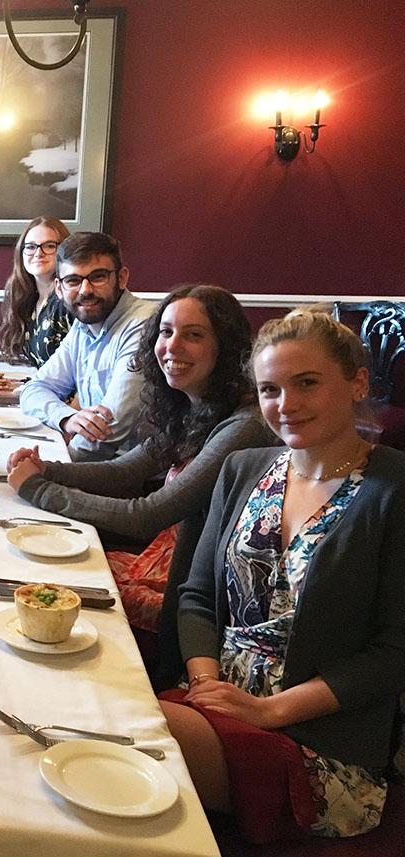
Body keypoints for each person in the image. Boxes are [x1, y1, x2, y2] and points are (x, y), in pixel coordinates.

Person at [162, 309, 405, 842]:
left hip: (317, 740)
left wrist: (268, 710)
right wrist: (206, 684)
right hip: (213, 700)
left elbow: (394, 653)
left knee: (136, 738)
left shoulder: (393, 490)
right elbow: (197, 596)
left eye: (307, 384)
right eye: (270, 389)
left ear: (357, 382)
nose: (286, 405)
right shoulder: (243, 468)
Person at [6, 285, 278, 685]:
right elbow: (123, 472)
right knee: (30, 579)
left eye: (194, 335)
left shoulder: (244, 427)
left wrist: (39, 490)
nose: (172, 346)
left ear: (227, 347)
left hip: (193, 593)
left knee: (46, 596)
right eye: (165, 332)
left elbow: (147, 515)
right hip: (167, 563)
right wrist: (46, 469)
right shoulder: (194, 405)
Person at [18, 231, 155, 461]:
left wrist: (56, 468)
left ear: (121, 278)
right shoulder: (83, 326)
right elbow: (33, 390)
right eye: (73, 280)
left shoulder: (143, 325)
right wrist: (66, 418)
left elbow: (108, 431)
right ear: (59, 289)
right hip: (98, 465)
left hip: (138, 478)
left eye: (98, 277)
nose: (85, 290)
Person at [0, 215, 72, 366]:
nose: (39, 253)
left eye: (50, 246)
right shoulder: (25, 297)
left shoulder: (69, 299)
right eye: (31, 247)